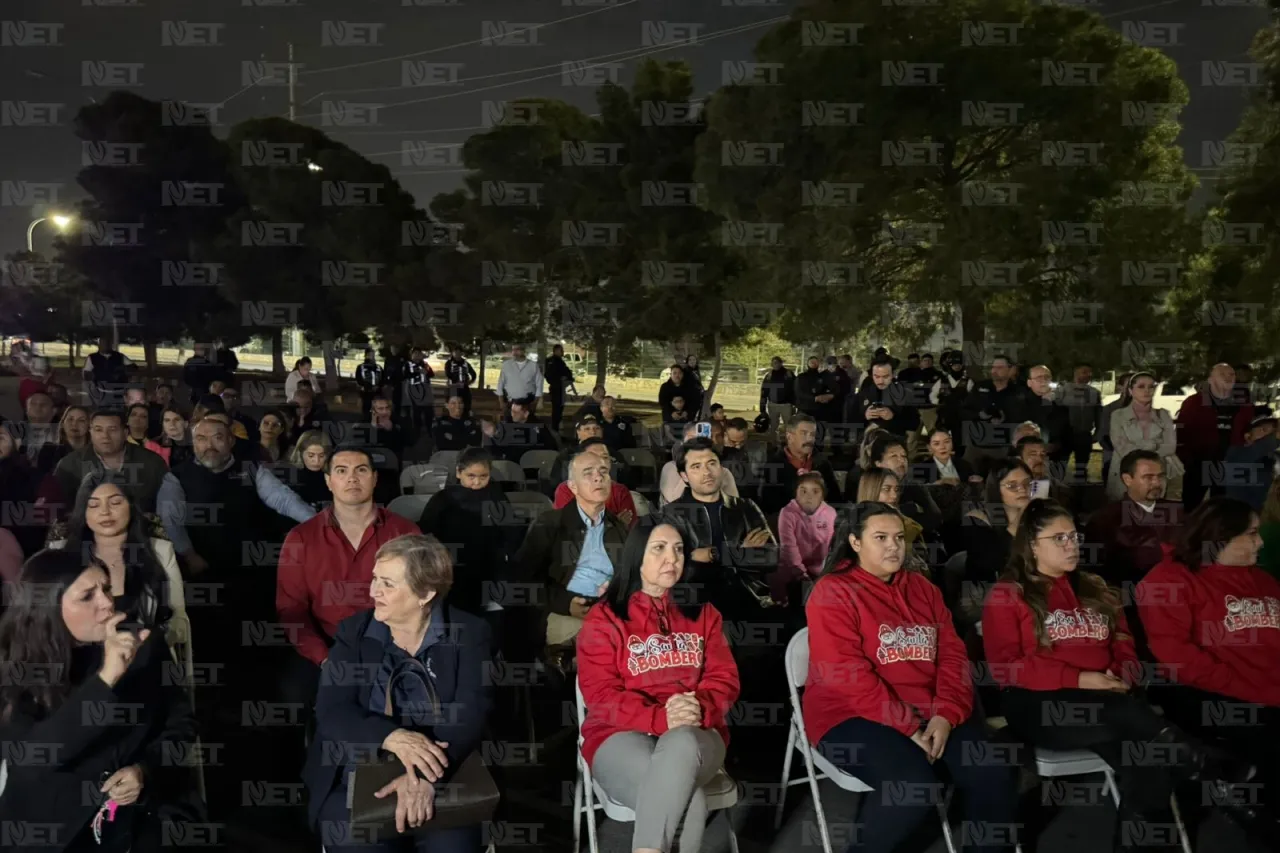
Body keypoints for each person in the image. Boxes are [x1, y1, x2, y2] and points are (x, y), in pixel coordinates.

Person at [984, 499, 1249, 853]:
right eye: (1058, 538)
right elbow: (1006, 666)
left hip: (1108, 700)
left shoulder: (1095, 587)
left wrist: (1121, 673)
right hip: (1038, 704)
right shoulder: (1008, 594)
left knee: (1148, 765)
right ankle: (1202, 765)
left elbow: (1125, 643)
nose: (1071, 545)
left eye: (1074, 536)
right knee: (1124, 713)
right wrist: (1081, 678)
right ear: (1032, 545)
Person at [805, 503, 1018, 853]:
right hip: (849, 714)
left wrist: (946, 714)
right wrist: (908, 726)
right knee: (912, 786)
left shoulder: (924, 589)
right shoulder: (832, 592)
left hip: (930, 709)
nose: (894, 546)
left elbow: (952, 656)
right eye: (881, 537)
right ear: (855, 542)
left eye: (899, 537)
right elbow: (848, 675)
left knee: (994, 771)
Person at [0, 549, 202, 853]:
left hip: (137, 819)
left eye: (106, 588)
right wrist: (106, 678)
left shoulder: (144, 642)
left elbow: (181, 724)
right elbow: (32, 760)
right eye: (87, 596)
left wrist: (145, 771)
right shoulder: (16, 665)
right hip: (51, 829)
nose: (107, 602)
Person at [304, 535, 493, 853]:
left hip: (443, 772)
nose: (373, 591)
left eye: (387, 584)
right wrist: (392, 737)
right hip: (359, 772)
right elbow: (332, 710)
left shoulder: (469, 633)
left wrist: (422, 779)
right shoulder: (355, 633)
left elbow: (471, 712)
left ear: (425, 594)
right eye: (375, 579)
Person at [576, 517, 740, 853]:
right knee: (689, 803)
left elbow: (725, 679)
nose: (672, 559)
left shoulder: (704, 612)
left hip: (697, 732)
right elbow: (602, 697)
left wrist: (698, 708)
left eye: (679, 550)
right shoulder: (604, 618)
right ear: (637, 556)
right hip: (617, 735)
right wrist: (660, 718)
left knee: (679, 742)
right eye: (659, 549)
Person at [1138, 500, 1280, 847]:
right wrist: (1264, 692)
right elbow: (1180, 661)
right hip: (1205, 693)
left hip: (1266, 688)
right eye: (1251, 534)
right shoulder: (1170, 580)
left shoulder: (1262, 580)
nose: (1260, 542)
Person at [275, 446, 420, 707]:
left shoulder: (405, 532)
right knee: (294, 696)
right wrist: (324, 658)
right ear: (329, 481)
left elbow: (421, 599)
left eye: (361, 470)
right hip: (327, 645)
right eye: (342, 471)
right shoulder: (301, 538)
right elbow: (291, 609)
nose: (352, 478)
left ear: (375, 479)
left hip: (393, 644)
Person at [51, 470, 188, 657]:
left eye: (115, 502)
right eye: (93, 505)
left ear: (131, 506)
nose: (105, 512)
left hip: (145, 660)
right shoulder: (62, 554)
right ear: (83, 512)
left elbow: (179, 620)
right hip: (83, 666)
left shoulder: (160, 551)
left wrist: (147, 643)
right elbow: (48, 623)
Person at [514, 445, 629, 649]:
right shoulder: (549, 524)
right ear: (573, 486)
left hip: (609, 613)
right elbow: (524, 582)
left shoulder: (619, 528)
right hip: (562, 612)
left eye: (603, 472)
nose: (598, 478)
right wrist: (566, 603)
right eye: (588, 473)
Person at [667, 437, 777, 620]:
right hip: (694, 608)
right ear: (684, 476)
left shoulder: (745, 508)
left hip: (748, 599)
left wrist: (712, 555)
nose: (707, 472)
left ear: (721, 467)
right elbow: (673, 567)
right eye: (696, 466)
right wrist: (740, 554)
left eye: (712, 463)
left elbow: (771, 556)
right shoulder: (671, 515)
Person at [417, 448, 525, 615]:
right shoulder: (444, 498)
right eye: (471, 476)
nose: (477, 482)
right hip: (452, 566)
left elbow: (511, 532)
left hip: (489, 565)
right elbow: (426, 532)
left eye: (483, 477)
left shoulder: (496, 496)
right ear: (459, 473)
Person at [1086, 450, 1183, 592]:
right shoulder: (1104, 520)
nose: (1157, 483)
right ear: (1127, 479)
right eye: (1148, 477)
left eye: (1160, 476)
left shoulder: (1178, 512)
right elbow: (1097, 573)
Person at [54, 409, 168, 515]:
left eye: (112, 429)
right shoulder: (69, 465)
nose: (105, 436)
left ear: (125, 433)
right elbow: (61, 512)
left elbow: (166, 507)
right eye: (98, 430)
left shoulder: (152, 462)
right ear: (91, 432)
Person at [1176, 363, 1254, 510]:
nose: (1228, 377)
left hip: (1230, 465)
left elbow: (1249, 431)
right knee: (1191, 507)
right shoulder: (1193, 403)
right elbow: (1181, 434)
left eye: (1231, 374)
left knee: (1223, 509)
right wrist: (1188, 460)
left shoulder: (1244, 405)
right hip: (1198, 465)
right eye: (1222, 374)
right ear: (1210, 380)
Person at [1107, 371, 1179, 500]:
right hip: (1126, 472)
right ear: (1130, 390)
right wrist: (1153, 446)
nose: (1147, 390)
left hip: (1156, 472)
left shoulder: (1163, 415)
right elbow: (1121, 446)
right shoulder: (1118, 415)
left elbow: (1170, 446)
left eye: (1151, 386)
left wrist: (1147, 452)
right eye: (1141, 386)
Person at [772, 471, 837, 605]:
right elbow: (789, 549)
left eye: (815, 491)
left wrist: (825, 574)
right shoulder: (787, 513)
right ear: (795, 493)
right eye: (803, 491)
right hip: (792, 573)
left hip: (820, 573)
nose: (809, 496)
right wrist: (803, 577)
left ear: (822, 495)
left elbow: (832, 546)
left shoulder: (830, 513)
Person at [759, 415, 842, 514]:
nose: (810, 439)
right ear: (789, 436)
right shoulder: (774, 465)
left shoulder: (823, 464)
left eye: (812, 434)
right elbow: (769, 506)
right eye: (804, 433)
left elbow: (836, 501)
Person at [553, 438, 637, 527]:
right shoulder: (566, 489)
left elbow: (631, 530)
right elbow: (565, 527)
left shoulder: (620, 491)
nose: (601, 462)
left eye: (605, 457)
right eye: (593, 457)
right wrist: (614, 524)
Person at [660, 423, 740, 507]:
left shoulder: (724, 472)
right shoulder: (670, 468)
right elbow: (677, 501)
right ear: (682, 444)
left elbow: (734, 506)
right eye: (691, 441)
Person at [1223, 412, 1278, 511]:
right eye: (1263, 430)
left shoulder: (1271, 457)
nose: (1269, 434)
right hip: (1241, 517)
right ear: (1247, 436)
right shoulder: (1235, 454)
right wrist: (1276, 438)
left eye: (1273, 431)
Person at [481, 397, 557, 465]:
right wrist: (492, 435)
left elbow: (550, 447)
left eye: (516, 412)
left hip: (534, 466)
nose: (512, 415)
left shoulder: (539, 427)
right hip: (511, 467)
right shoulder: (506, 425)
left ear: (526, 414)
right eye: (512, 411)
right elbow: (497, 450)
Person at [1015, 435, 1073, 507]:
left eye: (1042, 454)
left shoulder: (1059, 490)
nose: (1039, 459)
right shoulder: (1010, 489)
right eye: (1033, 454)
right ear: (1019, 459)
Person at [285, 429, 332, 510]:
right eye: (311, 455)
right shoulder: (290, 477)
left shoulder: (333, 476)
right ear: (300, 453)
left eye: (321, 456)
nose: (316, 461)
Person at [82, 336, 136, 406]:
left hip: (120, 392)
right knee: (103, 413)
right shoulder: (92, 357)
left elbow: (133, 367)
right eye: (103, 344)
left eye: (108, 344)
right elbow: (86, 374)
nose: (106, 346)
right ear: (99, 345)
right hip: (102, 393)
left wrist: (121, 370)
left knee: (120, 413)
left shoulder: (119, 356)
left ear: (111, 345)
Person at [496, 344, 542, 414]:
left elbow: (539, 385)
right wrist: (501, 402)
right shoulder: (506, 365)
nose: (514, 352)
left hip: (527, 403)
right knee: (509, 424)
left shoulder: (533, 366)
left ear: (523, 351)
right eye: (513, 350)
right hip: (510, 403)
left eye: (517, 349)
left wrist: (535, 403)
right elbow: (500, 384)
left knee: (527, 424)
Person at [543, 343, 577, 431]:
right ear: (556, 350)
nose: (563, 352)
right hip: (556, 388)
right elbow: (549, 375)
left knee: (560, 409)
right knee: (557, 409)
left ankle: (556, 427)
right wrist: (560, 379)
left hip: (561, 388)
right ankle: (555, 428)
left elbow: (568, 373)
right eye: (561, 350)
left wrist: (567, 378)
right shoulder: (551, 361)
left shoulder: (560, 361)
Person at [402, 347, 435, 432]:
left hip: (426, 388)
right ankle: (417, 429)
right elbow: (405, 375)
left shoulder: (425, 364)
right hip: (414, 388)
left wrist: (426, 372)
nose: (417, 356)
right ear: (411, 355)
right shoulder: (407, 364)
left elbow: (432, 374)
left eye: (419, 354)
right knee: (416, 410)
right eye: (415, 353)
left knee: (429, 410)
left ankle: (429, 428)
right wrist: (417, 373)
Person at [356, 348, 386, 419]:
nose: (371, 356)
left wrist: (378, 386)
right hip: (366, 393)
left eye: (373, 355)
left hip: (377, 393)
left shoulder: (379, 367)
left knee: (377, 411)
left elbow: (383, 379)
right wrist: (368, 387)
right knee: (366, 411)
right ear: (366, 356)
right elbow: (359, 379)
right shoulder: (361, 367)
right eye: (370, 355)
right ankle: (366, 424)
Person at [383, 343, 409, 417]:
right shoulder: (388, 359)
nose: (393, 350)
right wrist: (386, 381)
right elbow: (386, 370)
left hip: (399, 382)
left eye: (394, 348)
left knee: (398, 399)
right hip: (390, 382)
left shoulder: (402, 359)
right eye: (392, 349)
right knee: (389, 399)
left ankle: (398, 414)